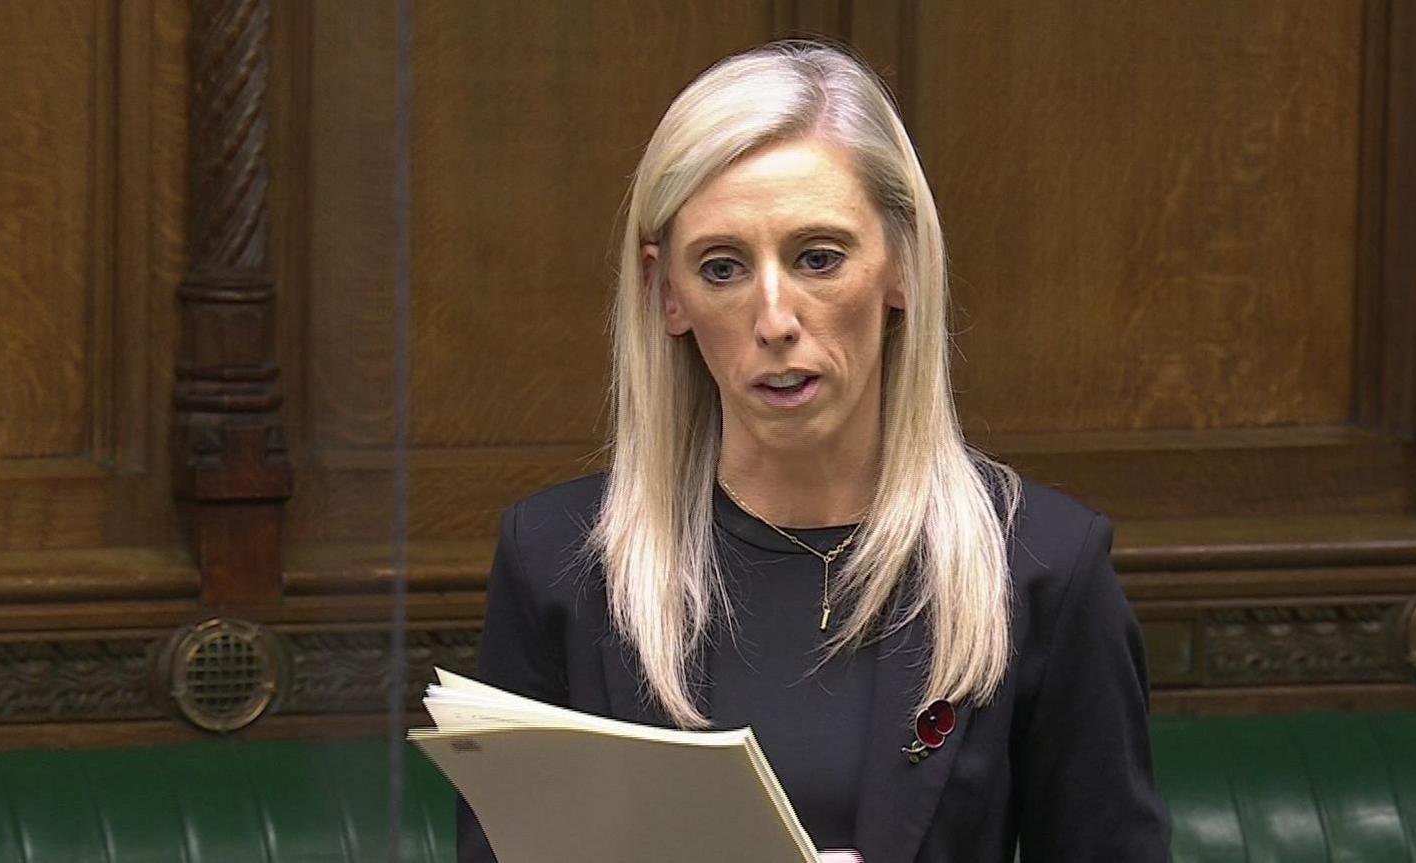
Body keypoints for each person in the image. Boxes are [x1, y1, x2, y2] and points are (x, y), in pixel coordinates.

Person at [457, 41, 1170, 862]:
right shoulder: (558, 561)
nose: (774, 318)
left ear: (901, 265)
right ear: (667, 295)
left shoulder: (1043, 567)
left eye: (818, 258)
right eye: (721, 267)